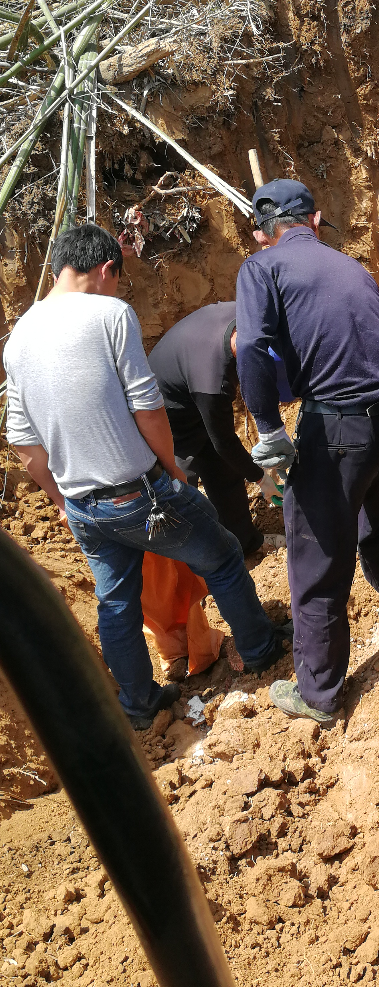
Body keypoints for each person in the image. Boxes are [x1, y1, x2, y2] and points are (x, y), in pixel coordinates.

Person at [2, 224, 292, 729]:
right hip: (139, 490)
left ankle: (138, 703)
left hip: (84, 505)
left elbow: (25, 443)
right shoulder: (111, 314)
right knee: (222, 556)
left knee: (116, 604)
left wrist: (62, 499)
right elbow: (147, 406)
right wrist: (171, 472)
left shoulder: (18, 338)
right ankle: (261, 648)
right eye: (118, 278)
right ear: (106, 269)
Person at [235, 179, 379, 726]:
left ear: (259, 233)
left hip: (339, 427)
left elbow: (250, 344)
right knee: (370, 495)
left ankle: (317, 693)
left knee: (314, 557)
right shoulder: (352, 266)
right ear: (315, 221)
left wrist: (268, 428)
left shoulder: (261, 268)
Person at [148, 301, 275, 557]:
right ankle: (189, 557)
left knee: (224, 470)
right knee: (183, 477)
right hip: (166, 409)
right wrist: (261, 477)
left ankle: (245, 542)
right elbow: (224, 441)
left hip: (184, 374)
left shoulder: (249, 312)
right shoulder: (213, 381)